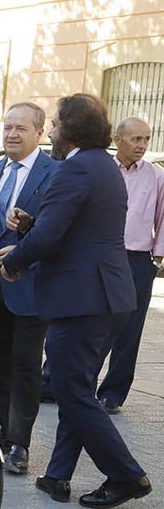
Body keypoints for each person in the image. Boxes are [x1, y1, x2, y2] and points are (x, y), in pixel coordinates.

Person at [0, 94, 150, 509]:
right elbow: (74, 228)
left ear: (71, 129)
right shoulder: (103, 166)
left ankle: (125, 475)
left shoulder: (75, 168)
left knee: (72, 391)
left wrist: (13, 260)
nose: (50, 130)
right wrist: (33, 224)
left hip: (84, 301)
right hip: (108, 295)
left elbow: (50, 237)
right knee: (76, 386)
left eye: (54, 123)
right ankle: (57, 475)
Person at [0, 103, 57, 475]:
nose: (11, 134)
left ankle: (20, 444)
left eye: (20, 128)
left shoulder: (55, 173)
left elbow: (56, 229)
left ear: (39, 132)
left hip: (33, 285)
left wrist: (24, 248)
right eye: (7, 127)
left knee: (25, 366)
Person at [95, 117, 163, 414]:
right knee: (91, 323)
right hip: (99, 257)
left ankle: (112, 393)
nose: (142, 145)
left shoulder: (157, 176)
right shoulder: (101, 170)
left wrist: (156, 258)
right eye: (136, 139)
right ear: (117, 139)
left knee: (130, 329)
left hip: (137, 260)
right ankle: (70, 383)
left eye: (146, 139)